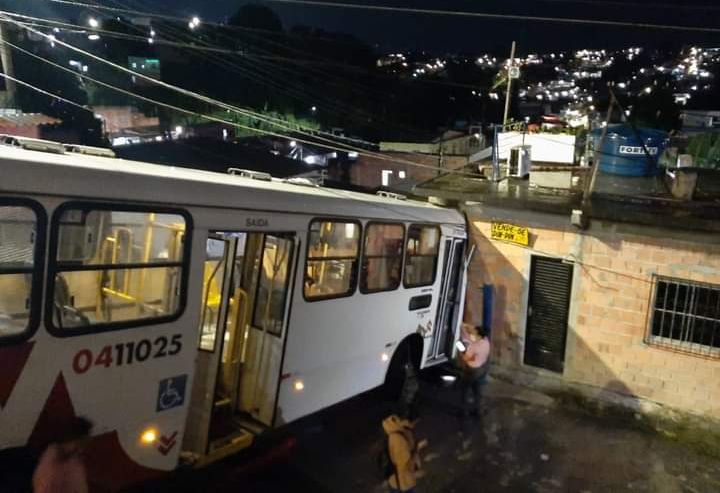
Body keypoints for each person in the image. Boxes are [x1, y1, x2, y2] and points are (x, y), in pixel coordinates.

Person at [33, 417, 93, 493]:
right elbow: (42, 487)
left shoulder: (75, 461)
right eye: (81, 443)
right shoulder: (51, 457)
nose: (82, 449)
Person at [382, 411, 425, 493]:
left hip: (397, 479)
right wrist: (418, 449)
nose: (415, 425)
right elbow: (404, 464)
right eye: (415, 422)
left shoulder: (395, 429)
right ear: (408, 421)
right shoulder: (399, 439)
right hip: (402, 482)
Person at [458, 324, 490, 418]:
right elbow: (469, 336)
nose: (472, 334)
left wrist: (461, 352)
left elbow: (466, 358)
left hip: (472, 370)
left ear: (479, 335)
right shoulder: (485, 341)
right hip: (481, 369)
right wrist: (464, 327)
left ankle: (464, 412)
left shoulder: (475, 347)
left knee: (465, 390)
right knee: (477, 391)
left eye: (474, 333)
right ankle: (478, 411)